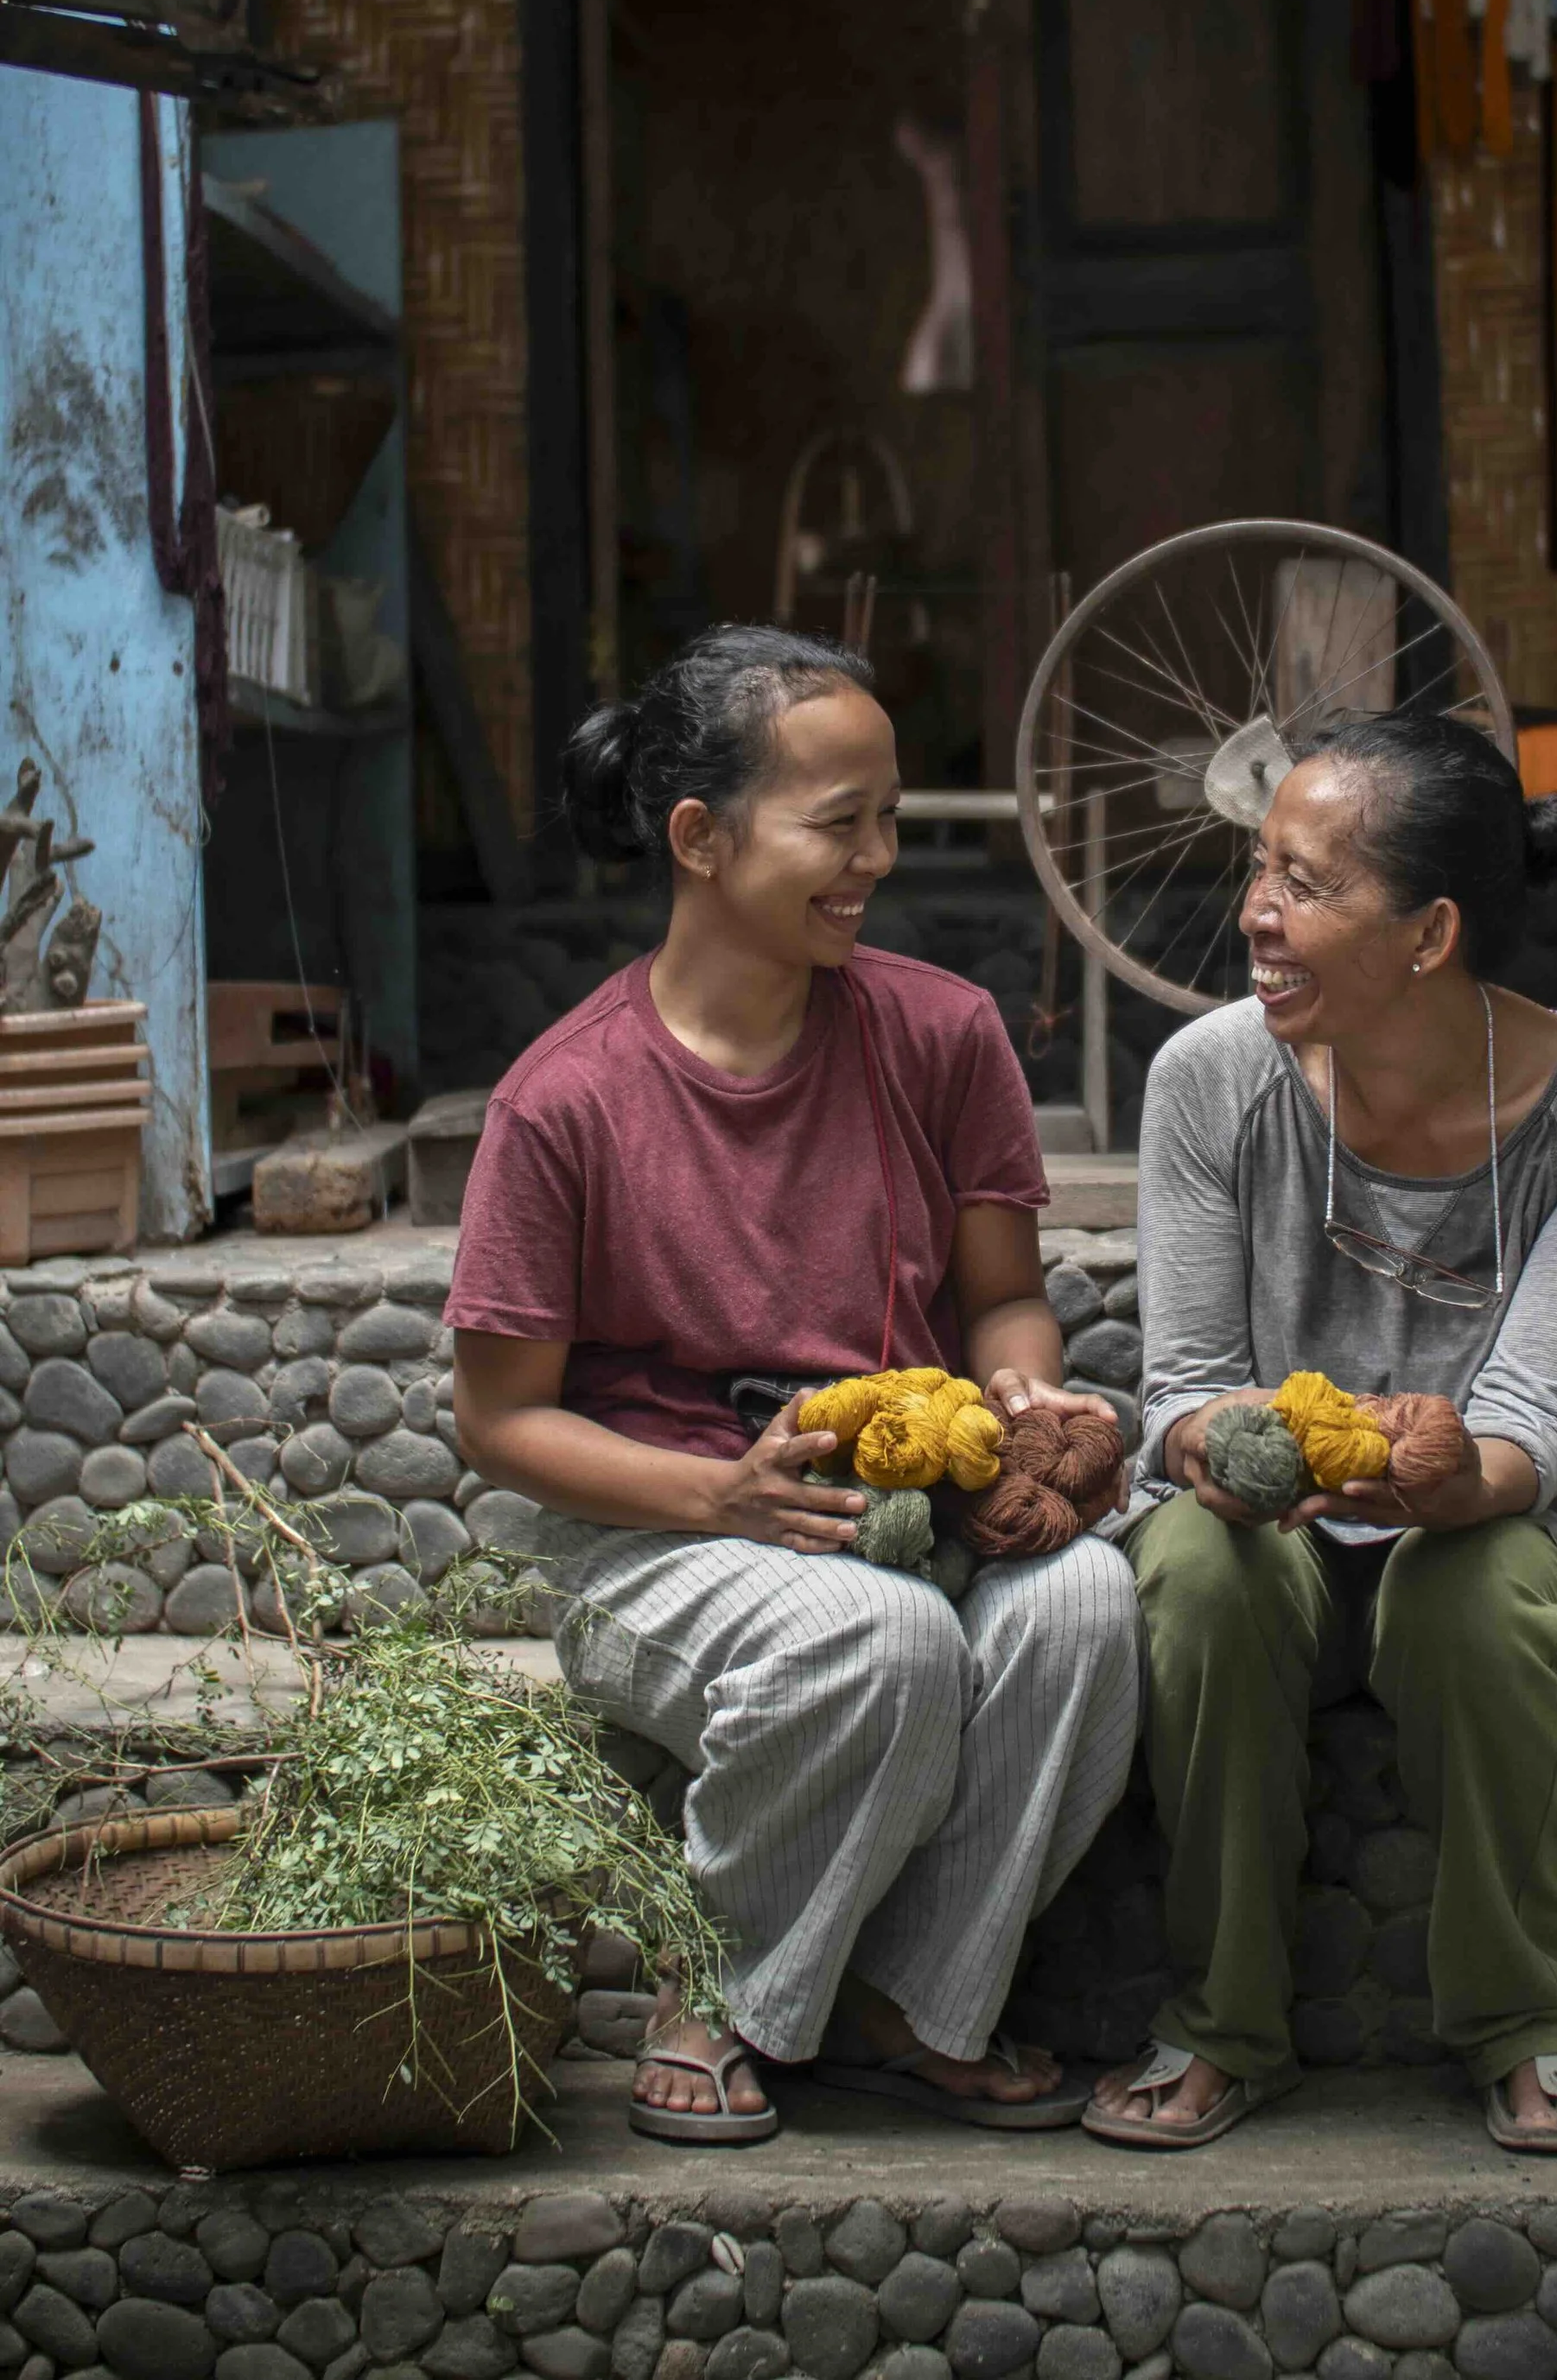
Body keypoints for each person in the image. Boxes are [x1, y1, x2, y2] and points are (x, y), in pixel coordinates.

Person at [448, 625, 1141, 2146]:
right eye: (842, 822)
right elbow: (500, 1420)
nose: (878, 856)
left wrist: (1027, 1400)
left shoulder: (943, 1034)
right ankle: (728, 1981)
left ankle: (916, 1999)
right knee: (884, 1636)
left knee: (1089, 1604)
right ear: (699, 836)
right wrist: (727, 1493)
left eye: (889, 815)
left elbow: (1006, 1298)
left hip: (911, 1499)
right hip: (658, 1530)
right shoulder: (563, 1101)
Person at [1087, 709, 1557, 2155]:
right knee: (1195, 1570)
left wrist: (1450, 1468)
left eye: (1305, 882)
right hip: (1264, 1532)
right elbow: (1186, 1385)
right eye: (1261, 867)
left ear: (1429, 934)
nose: (1256, 913)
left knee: (1481, 1592)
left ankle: (1524, 2010)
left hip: (1489, 1523)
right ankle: (1224, 2019)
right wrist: (1220, 1445)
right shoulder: (1210, 1078)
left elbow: (1533, 1424)